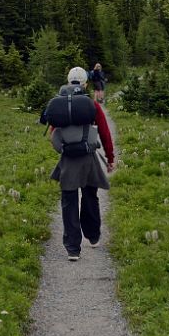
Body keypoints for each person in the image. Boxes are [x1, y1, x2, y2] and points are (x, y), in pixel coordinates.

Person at [42, 66, 116, 261]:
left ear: (68, 82)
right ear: (85, 83)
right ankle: (92, 236)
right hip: (88, 159)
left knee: (69, 201)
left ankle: (72, 248)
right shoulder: (92, 105)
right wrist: (110, 158)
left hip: (67, 160)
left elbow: (53, 133)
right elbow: (105, 133)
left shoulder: (59, 105)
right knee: (90, 196)